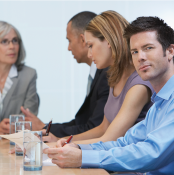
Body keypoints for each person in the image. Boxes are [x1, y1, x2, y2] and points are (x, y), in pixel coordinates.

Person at [44, 15, 174, 174]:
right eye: (134, 51)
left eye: (148, 48)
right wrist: (77, 147)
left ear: (170, 51)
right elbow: (125, 142)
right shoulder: (158, 105)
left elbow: (152, 153)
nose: (140, 57)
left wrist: (82, 157)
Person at [45, 11, 153, 145]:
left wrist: (65, 145)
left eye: (91, 46)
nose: (89, 54)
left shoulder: (139, 84)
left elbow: (110, 138)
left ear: (108, 41)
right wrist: (61, 140)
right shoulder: (115, 76)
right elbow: (103, 128)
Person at [21, 11, 110, 139]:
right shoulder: (97, 73)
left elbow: (94, 127)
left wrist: (47, 130)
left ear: (82, 39)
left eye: (69, 41)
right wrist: (45, 128)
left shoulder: (106, 75)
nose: (68, 48)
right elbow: (82, 122)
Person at [0, 20, 39, 136]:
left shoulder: (29, 75)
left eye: (15, 41)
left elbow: (31, 120)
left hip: (15, 147)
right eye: (4, 41)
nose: (12, 46)